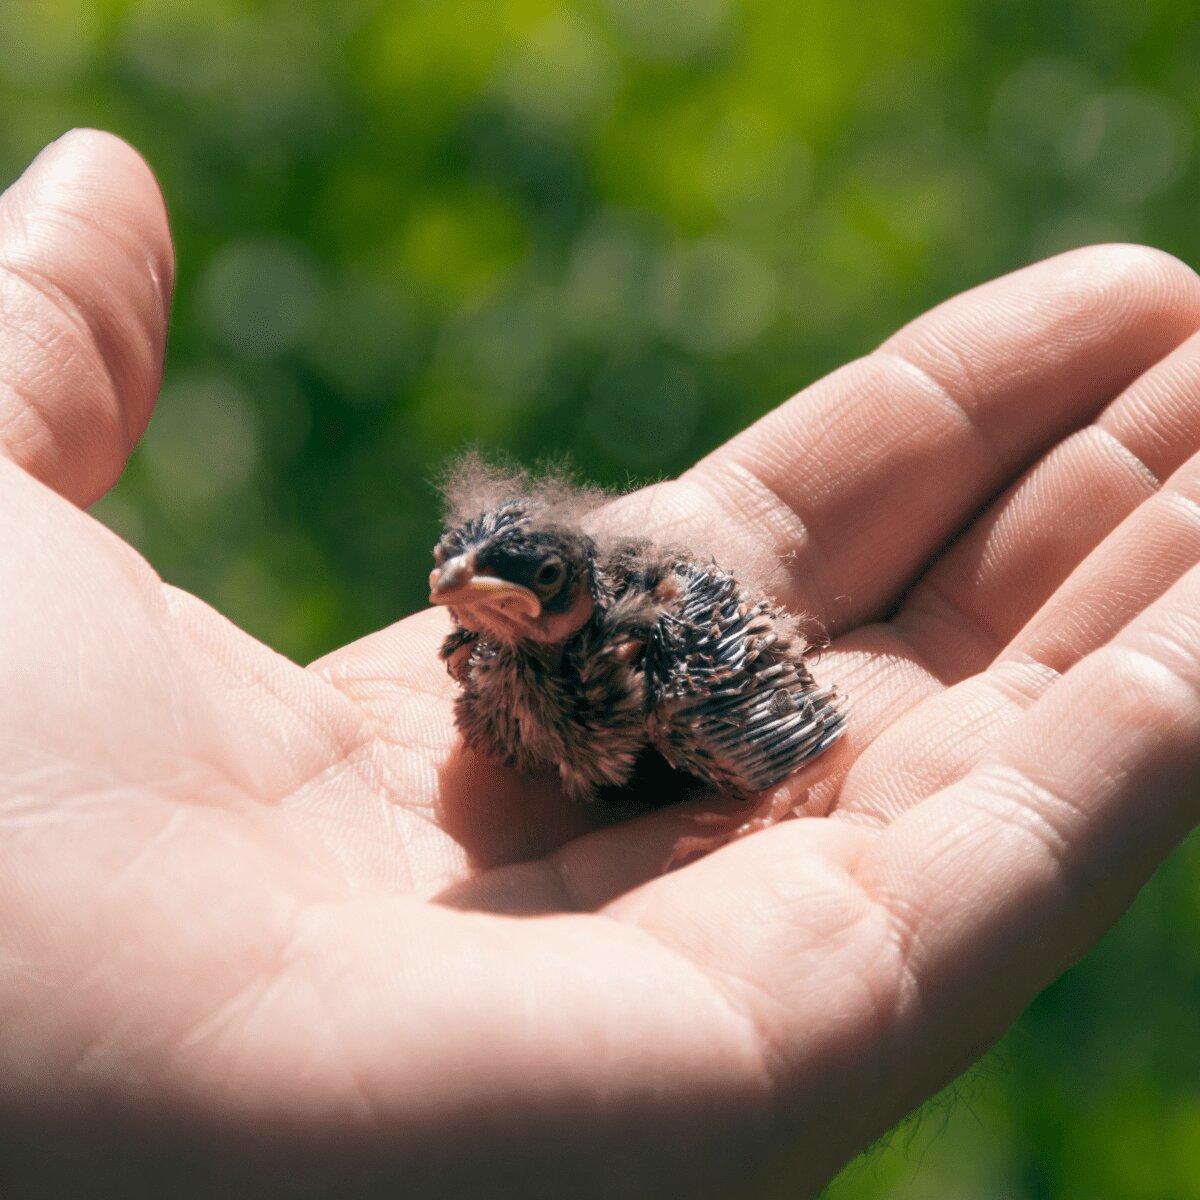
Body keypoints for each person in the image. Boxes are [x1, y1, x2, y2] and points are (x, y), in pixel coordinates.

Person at [3, 129, 1200, 1199]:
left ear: (570, 594)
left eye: (512, 586)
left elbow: (779, 727)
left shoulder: (654, 663)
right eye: (462, 583)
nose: (468, 609)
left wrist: (770, 785)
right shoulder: (489, 665)